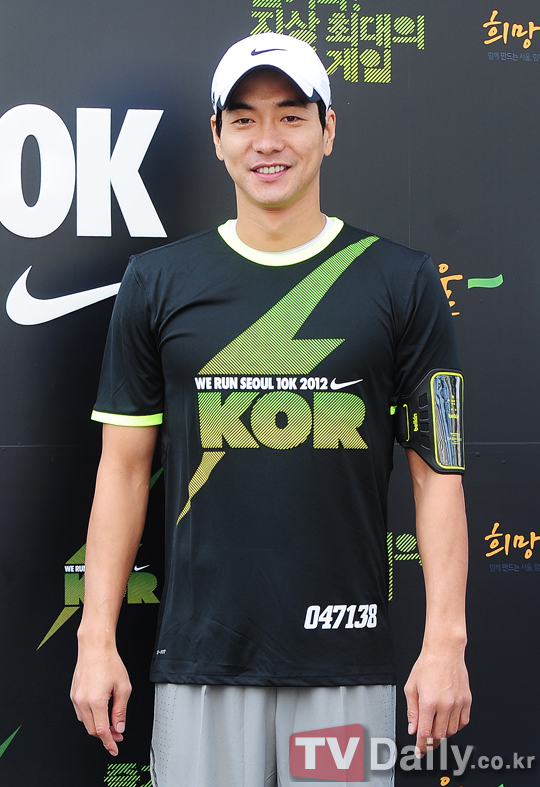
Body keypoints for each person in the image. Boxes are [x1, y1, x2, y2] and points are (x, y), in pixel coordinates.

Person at [71, 31, 471, 787]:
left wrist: (445, 641)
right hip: (201, 663)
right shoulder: (156, 282)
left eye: (291, 116)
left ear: (328, 129)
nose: (268, 141)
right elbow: (122, 472)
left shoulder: (403, 280)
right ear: (217, 136)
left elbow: (438, 473)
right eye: (244, 119)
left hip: (345, 660)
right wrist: (96, 638)